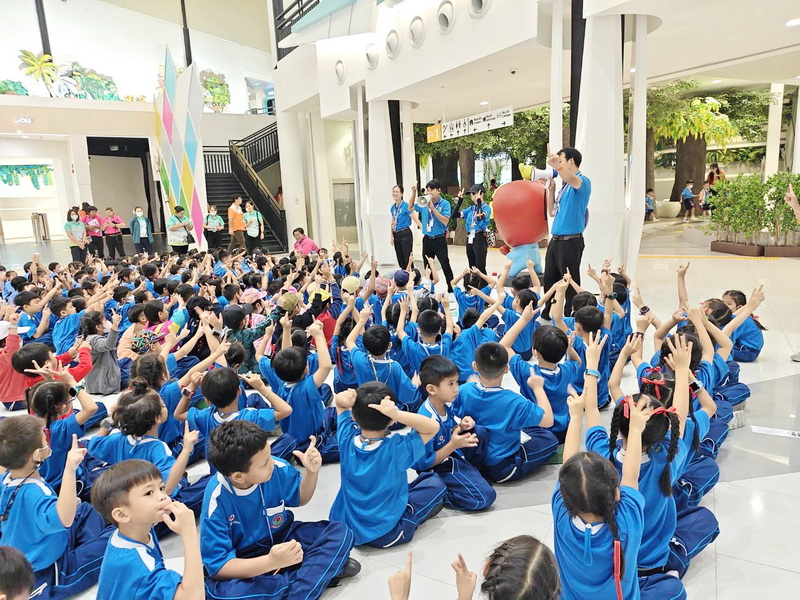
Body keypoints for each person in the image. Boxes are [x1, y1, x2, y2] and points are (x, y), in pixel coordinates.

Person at [201, 420, 360, 598]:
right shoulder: (216, 499)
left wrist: (311, 472)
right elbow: (219, 567)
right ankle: (313, 576)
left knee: (340, 533)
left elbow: (301, 497)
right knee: (222, 593)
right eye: (264, 463)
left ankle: (286, 584)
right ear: (238, 477)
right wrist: (270, 562)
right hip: (245, 558)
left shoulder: (276, 467)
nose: (272, 463)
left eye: (269, 455)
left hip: (283, 537)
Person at [0, 415, 113, 599]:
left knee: (85, 510)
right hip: (47, 567)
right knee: (113, 543)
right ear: (37, 454)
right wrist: (70, 469)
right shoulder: (35, 493)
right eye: (44, 440)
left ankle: (82, 545)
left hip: (42, 540)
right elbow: (64, 519)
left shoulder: (5, 479)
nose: (48, 442)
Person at [330, 384, 447, 547]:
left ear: (354, 416)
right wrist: (397, 413)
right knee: (435, 484)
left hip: (345, 525)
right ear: (392, 421)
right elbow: (432, 427)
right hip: (385, 533)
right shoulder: (397, 448)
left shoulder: (346, 437)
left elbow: (340, 405)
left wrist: (342, 399)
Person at [90, 460, 206, 600]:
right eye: (149, 492)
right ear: (122, 515)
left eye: (161, 488)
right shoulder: (135, 562)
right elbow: (194, 597)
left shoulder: (136, 531)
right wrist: (189, 531)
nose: (163, 496)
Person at [414, 355, 496, 512]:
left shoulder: (446, 404)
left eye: (457, 382)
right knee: (485, 497)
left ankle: (472, 475)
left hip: (450, 453)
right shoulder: (426, 420)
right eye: (450, 384)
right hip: (435, 467)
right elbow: (425, 463)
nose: (456, 388)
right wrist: (453, 444)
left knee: (479, 432)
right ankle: (440, 494)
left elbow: (449, 429)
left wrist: (461, 427)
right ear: (431, 389)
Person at [542, 147, 591, 320]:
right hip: (556, 241)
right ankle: (548, 312)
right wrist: (551, 190)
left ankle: (570, 315)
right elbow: (551, 212)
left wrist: (557, 168)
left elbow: (571, 178)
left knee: (570, 282)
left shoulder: (582, 181)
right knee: (550, 279)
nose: (558, 164)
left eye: (561, 160)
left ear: (571, 161)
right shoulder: (564, 188)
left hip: (571, 242)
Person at [409, 179, 455, 293]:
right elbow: (410, 208)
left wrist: (433, 209)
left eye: (432, 190)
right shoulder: (424, 203)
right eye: (428, 190)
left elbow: (445, 221)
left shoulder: (445, 204)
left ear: (438, 190)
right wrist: (414, 193)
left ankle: (451, 288)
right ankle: (429, 288)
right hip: (427, 239)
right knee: (427, 265)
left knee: (445, 264)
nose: (429, 193)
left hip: (439, 239)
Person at [455, 184, 493, 273]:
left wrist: (479, 202)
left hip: (479, 236)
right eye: (471, 194)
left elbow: (479, 217)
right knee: (472, 265)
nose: (472, 196)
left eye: (474, 194)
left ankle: (482, 282)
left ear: (481, 194)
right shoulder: (471, 208)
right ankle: (473, 281)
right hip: (470, 236)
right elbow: (455, 215)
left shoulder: (486, 208)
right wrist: (460, 201)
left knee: (480, 266)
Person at [390, 184, 413, 269]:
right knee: (400, 259)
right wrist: (392, 235)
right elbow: (393, 222)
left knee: (407, 259)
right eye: (394, 192)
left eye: (397, 192)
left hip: (405, 233)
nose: (395, 193)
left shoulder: (406, 206)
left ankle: (411, 275)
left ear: (402, 194)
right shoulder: (393, 208)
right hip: (396, 234)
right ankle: (403, 275)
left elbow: (414, 218)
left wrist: (423, 228)